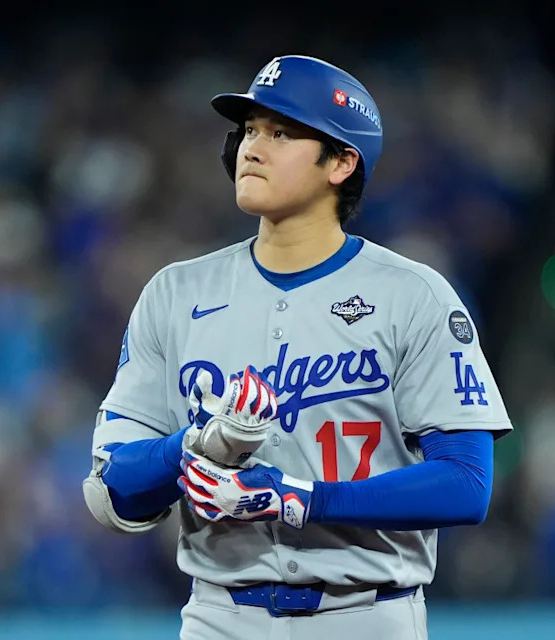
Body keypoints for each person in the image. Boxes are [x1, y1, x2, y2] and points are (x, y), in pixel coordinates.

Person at [83, 54, 513, 640]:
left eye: (281, 132)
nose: (251, 148)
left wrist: (299, 500)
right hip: (220, 615)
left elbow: (466, 483)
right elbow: (113, 488)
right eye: (250, 131)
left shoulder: (413, 296)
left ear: (341, 161)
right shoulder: (176, 293)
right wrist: (193, 447)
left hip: (367, 612)